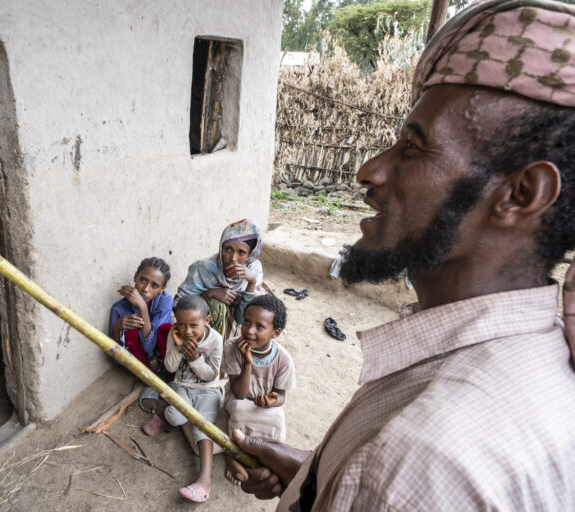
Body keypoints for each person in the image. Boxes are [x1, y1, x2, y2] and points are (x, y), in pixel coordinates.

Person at [226, 1, 575, 509]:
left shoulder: (423, 460)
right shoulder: (532, 364)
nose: (369, 170)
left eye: (413, 147)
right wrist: (318, 476)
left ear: (520, 195)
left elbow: (401, 478)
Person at [223, 295, 296, 486]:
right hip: (238, 396)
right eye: (246, 322)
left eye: (260, 326)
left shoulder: (283, 359)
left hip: (262, 402)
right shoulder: (231, 347)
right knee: (239, 410)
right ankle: (234, 457)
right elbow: (238, 393)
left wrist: (272, 400)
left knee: (277, 418)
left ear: (276, 333)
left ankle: (269, 456)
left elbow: (281, 396)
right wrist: (248, 364)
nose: (249, 330)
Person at [163, 295, 223, 503]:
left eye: (193, 325)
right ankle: (177, 410)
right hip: (183, 387)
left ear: (207, 321)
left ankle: (204, 480)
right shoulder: (176, 334)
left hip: (208, 389)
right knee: (175, 418)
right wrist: (179, 347)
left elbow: (212, 375)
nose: (187, 331)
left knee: (202, 426)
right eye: (181, 325)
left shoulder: (215, 339)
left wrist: (195, 358)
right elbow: (170, 368)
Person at [175, 219, 263, 338]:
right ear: (221, 247)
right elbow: (179, 305)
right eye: (228, 249)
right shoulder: (203, 268)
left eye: (241, 252)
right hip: (201, 331)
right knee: (216, 305)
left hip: (239, 329)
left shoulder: (254, 269)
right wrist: (209, 294)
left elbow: (248, 315)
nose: (233, 258)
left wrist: (252, 282)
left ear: (250, 255)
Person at [109, 257, 172, 415]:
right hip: (144, 364)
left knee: (167, 329)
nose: (145, 289)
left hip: (167, 357)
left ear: (162, 288)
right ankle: (154, 381)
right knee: (129, 330)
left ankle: (167, 376)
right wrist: (117, 328)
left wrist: (143, 308)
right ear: (135, 277)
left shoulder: (165, 301)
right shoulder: (119, 309)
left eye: (154, 285)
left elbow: (150, 344)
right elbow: (117, 359)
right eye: (143, 280)